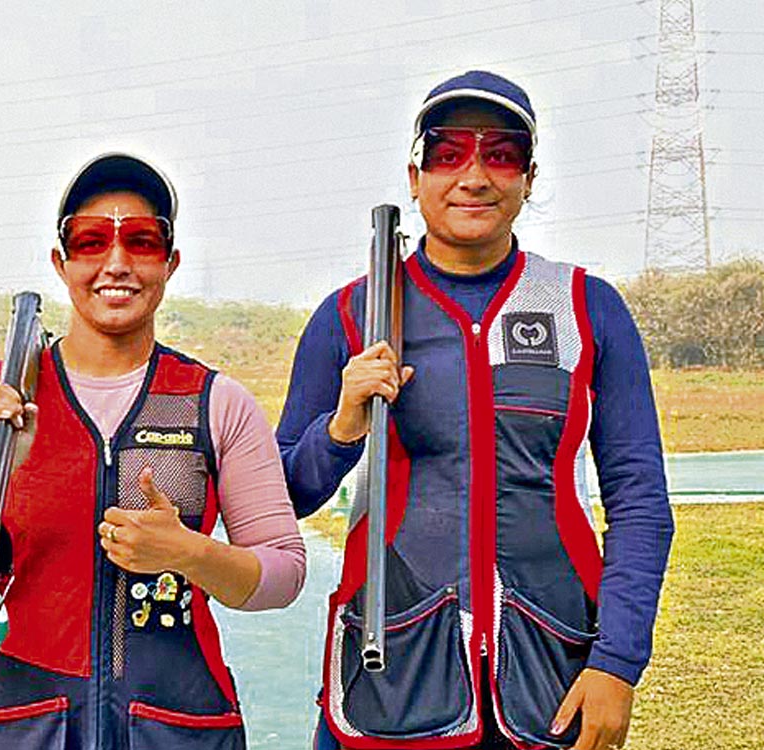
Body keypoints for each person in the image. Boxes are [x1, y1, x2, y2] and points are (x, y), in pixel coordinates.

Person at [276, 71, 674, 750]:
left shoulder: (586, 306)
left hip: (552, 678)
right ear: (414, 173)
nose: (474, 175)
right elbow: (284, 495)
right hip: (390, 676)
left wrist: (617, 662)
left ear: (528, 175)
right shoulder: (351, 313)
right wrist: (343, 425)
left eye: (501, 153)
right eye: (449, 152)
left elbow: (639, 500)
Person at [0, 152, 307, 749]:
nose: (117, 263)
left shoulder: (215, 402)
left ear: (170, 262)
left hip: (172, 725)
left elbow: (283, 573)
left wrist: (191, 554)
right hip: (14, 726)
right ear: (61, 262)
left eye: (142, 241)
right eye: (92, 241)